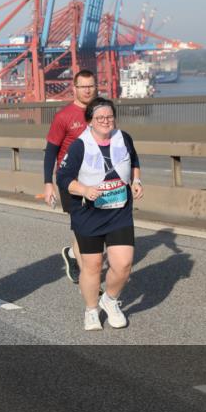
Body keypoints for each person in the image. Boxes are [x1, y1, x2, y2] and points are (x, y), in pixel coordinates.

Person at [56, 97, 144, 331]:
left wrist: (136, 181)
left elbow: (134, 160)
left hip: (119, 210)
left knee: (123, 263)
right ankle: (91, 310)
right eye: (100, 118)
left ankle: (110, 300)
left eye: (110, 117)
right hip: (88, 213)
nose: (106, 121)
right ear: (90, 122)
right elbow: (63, 178)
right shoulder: (79, 146)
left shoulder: (123, 138)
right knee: (93, 265)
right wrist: (84, 189)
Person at [43, 69, 98, 283]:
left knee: (96, 228)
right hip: (71, 180)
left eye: (91, 85)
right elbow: (50, 152)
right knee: (83, 227)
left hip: (97, 179)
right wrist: (48, 183)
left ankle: (73, 254)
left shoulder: (101, 112)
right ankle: (91, 282)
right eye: (83, 86)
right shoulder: (63, 117)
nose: (87, 90)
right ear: (74, 89)